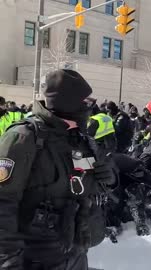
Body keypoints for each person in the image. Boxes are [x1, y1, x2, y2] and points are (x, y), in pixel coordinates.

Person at [0, 69, 116, 269]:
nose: (90, 107)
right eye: (86, 102)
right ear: (69, 104)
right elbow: (3, 202)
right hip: (35, 257)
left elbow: (83, 185)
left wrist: (109, 179)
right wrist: (9, 260)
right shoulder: (24, 137)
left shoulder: (80, 139)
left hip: (75, 252)